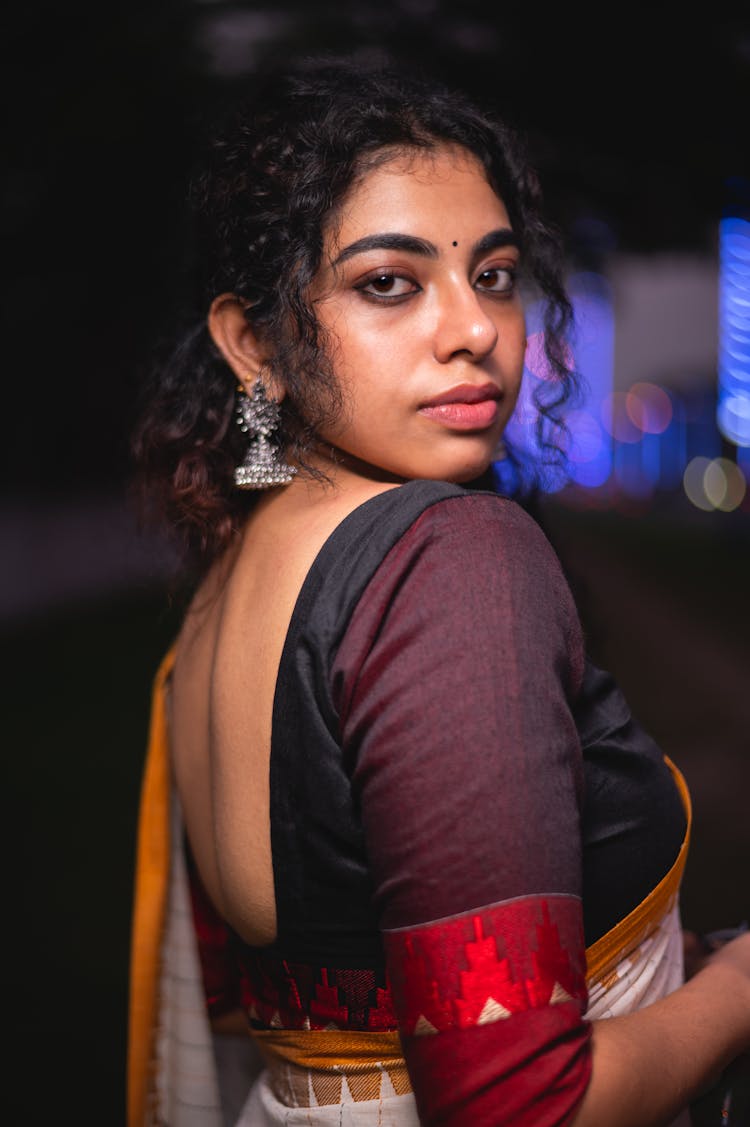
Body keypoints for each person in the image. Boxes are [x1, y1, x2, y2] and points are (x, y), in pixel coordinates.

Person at [127, 55, 750, 1127]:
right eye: (389, 282)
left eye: (496, 274)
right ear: (253, 342)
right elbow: (519, 1106)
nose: (475, 329)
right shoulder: (450, 565)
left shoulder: (229, 578)